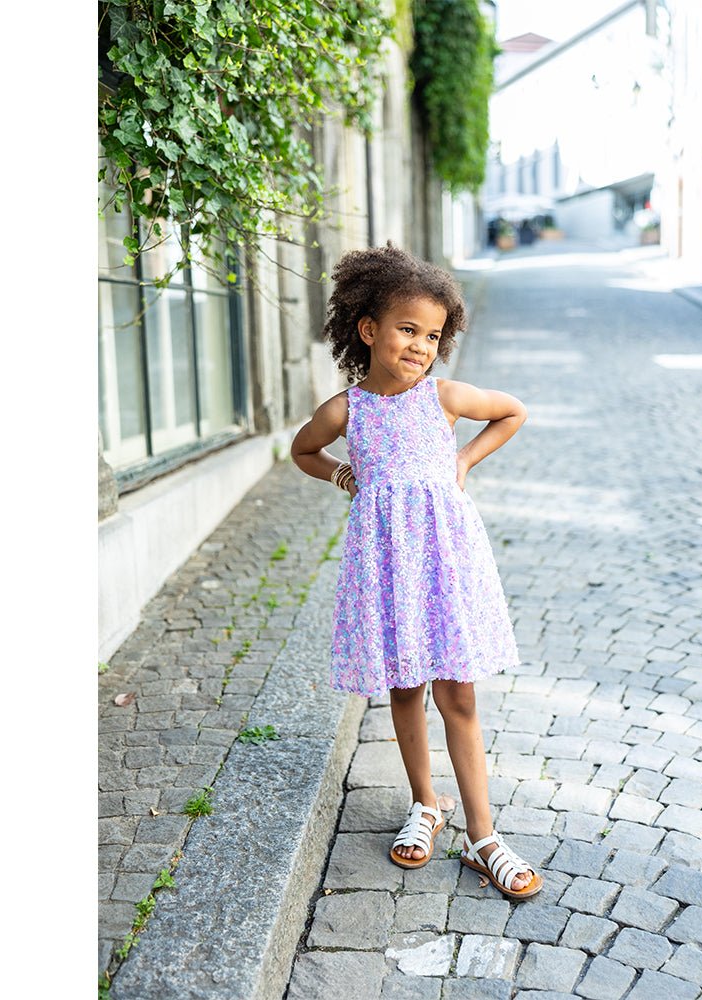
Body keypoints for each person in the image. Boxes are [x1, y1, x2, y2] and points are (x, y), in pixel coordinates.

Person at [291, 243, 543, 899]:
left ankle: (483, 836)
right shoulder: (348, 410)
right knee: (405, 690)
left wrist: (462, 461)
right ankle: (426, 803)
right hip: (388, 567)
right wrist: (341, 474)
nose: (422, 346)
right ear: (368, 330)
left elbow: (512, 411)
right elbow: (302, 450)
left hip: (443, 564)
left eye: (433, 336)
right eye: (408, 330)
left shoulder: (444, 397)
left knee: (458, 695)